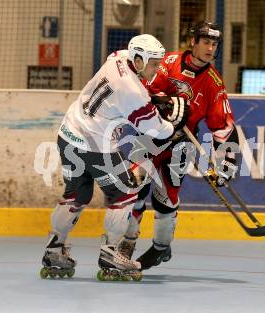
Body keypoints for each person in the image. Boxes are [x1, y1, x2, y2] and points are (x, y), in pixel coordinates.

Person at [39, 34, 189, 280]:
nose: (157, 69)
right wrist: (176, 121)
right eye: (153, 64)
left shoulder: (117, 57)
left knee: (76, 194)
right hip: (96, 146)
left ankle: (54, 250)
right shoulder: (133, 93)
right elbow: (157, 130)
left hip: (68, 133)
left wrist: (153, 99)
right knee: (126, 192)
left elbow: (132, 94)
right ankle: (110, 254)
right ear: (138, 60)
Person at [126, 21, 240, 270]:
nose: (211, 48)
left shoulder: (213, 82)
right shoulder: (167, 62)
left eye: (215, 44)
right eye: (206, 42)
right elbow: (143, 86)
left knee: (166, 199)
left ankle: (160, 248)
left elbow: (223, 126)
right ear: (193, 42)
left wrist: (227, 161)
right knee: (132, 188)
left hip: (181, 143)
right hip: (150, 135)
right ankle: (126, 243)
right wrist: (163, 101)